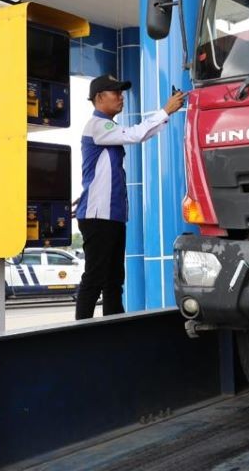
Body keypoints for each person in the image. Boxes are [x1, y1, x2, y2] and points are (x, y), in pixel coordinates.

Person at [75, 74, 185, 319]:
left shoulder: (108, 127)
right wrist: (165, 110)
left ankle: (115, 329)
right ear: (99, 97)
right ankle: (80, 331)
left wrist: (166, 114)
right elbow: (135, 134)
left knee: (114, 280)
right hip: (99, 216)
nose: (121, 97)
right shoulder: (98, 124)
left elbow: (137, 136)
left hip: (111, 215)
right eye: (116, 92)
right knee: (95, 277)